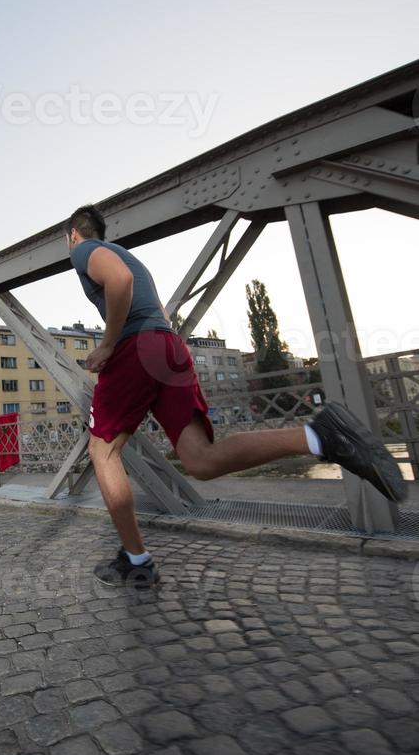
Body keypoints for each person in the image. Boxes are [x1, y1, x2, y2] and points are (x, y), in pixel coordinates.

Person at [65, 204, 406, 589]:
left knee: (103, 450)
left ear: (73, 235)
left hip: (134, 348)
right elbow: (151, 303)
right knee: (200, 459)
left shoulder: (83, 249)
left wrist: (108, 345)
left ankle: (136, 560)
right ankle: (319, 437)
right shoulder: (132, 257)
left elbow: (120, 280)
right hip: (167, 347)